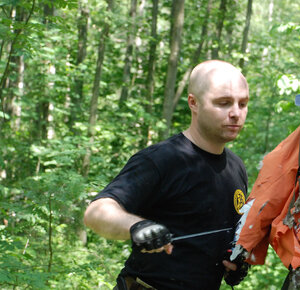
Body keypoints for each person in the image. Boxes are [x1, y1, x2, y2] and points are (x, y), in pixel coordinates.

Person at [83, 60, 250, 289]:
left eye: (243, 104)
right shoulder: (162, 159)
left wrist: (235, 262)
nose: (235, 113)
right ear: (194, 103)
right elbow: (96, 212)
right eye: (223, 103)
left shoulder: (236, 168)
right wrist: (137, 227)